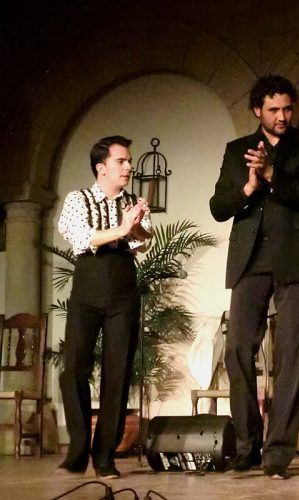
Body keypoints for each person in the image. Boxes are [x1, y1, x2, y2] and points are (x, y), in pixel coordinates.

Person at [209, 75, 299, 480]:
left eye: (287, 109)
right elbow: (218, 206)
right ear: (257, 110)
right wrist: (248, 186)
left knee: (291, 356)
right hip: (251, 258)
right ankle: (247, 446)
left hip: (297, 257)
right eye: (274, 109)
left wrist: (273, 172)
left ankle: (278, 453)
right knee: (238, 350)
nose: (282, 116)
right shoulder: (235, 150)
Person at [57, 135, 152, 479]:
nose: (129, 166)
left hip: (123, 286)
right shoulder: (77, 199)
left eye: (129, 161)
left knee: (118, 372)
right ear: (102, 167)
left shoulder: (134, 202)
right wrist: (121, 229)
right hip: (88, 284)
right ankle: (78, 448)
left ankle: (104, 455)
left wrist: (136, 225)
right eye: (121, 161)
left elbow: (142, 241)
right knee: (74, 368)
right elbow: (80, 236)